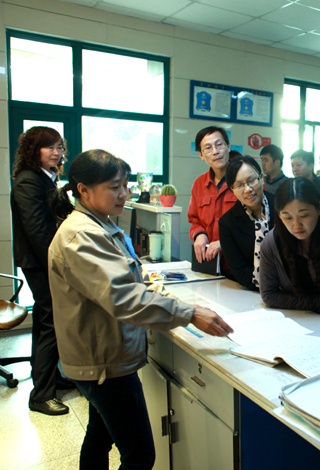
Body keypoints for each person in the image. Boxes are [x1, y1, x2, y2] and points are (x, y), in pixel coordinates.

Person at [47, 149, 232, 469]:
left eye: (126, 185)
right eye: (114, 187)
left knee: (100, 435)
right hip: (104, 365)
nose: (124, 194)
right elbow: (124, 298)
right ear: (84, 190)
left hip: (101, 357)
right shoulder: (83, 236)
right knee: (140, 455)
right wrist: (188, 313)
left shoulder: (100, 224)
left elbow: (132, 280)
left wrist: (182, 304)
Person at [11, 126, 72, 416]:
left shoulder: (47, 177)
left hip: (44, 259)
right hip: (41, 261)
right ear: (34, 150)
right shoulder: (28, 180)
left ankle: (49, 377)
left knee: (45, 319)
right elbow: (38, 230)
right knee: (51, 322)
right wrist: (59, 263)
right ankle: (41, 395)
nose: (57, 152)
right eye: (50, 147)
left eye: (60, 147)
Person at [259, 177, 320, 319]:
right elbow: (269, 294)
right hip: (299, 320)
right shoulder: (272, 243)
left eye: (303, 215)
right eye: (287, 217)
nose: (296, 225)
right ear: (279, 215)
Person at [218, 156, 276, 291]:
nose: (247, 189)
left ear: (261, 178)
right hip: (253, 291)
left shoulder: (282, 207)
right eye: (239, 185)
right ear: (232, 189)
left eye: (251, 181)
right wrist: (269, 289)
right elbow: (240, 270)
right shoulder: (227, 223)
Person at [188, 126, 237, 275]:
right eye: (208, 148)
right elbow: (195, 219)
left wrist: (224, 242)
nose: (215, 151)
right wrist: (199, 235)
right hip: (209, 265)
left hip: (239, 266)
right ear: (201, 155)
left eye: (219, 144)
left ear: (228, 146)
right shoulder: (199, 184)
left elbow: (256, 223)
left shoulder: (245, 179)